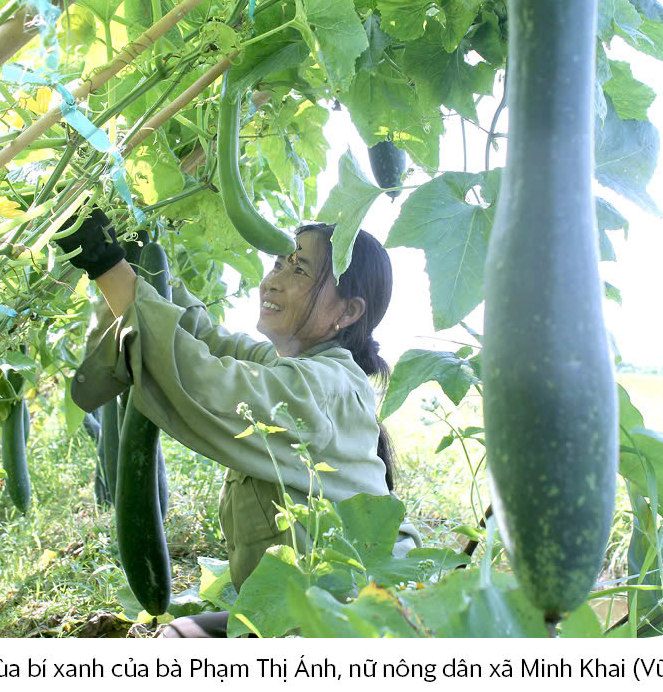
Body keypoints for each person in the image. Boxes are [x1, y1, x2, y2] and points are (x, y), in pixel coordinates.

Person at [55, 211, 421, 637]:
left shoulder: (323, 386)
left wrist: (105, 263)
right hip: (304, 608)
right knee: (177, 636)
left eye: (300, 270)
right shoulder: (297, 368)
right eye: (280, 262)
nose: (274, 280)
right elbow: (206, 338)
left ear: (348, 311)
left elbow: (203, 378)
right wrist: (138, 263)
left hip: (359, 621)